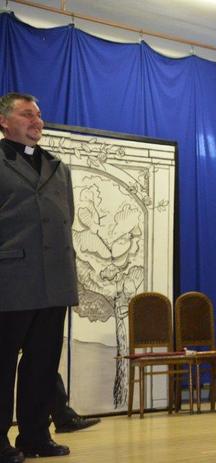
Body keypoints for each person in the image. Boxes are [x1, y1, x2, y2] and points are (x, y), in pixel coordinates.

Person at [0, 92, 77, 463]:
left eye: (39, 115)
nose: (37, 121)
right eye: (27, 114)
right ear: (4, 121)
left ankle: (34, 436)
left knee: (43, 364)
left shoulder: (58, 168)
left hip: (54, 282)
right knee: (2, 366)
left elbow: (67, 218)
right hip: (9, 280)